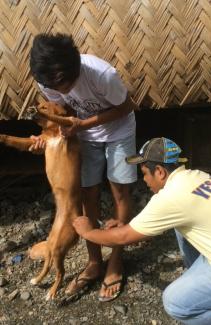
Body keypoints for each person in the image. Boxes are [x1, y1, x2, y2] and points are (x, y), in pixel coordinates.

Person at [73, 137, 211, 324]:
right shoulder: (196, 177)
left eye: (145, 173)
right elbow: (135, 230)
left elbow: (122, 238)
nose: (144, 180)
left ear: (160, 172)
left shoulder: (171, 197)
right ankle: (204, 288)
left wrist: (88, 232)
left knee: (175, 303)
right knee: (182, 227)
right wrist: (127, 229)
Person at [29, 33, 138, 301]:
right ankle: (93, 260)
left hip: (118, 132)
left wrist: (83, 124)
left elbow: (126, 107)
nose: (60, 90)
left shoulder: (102, 75)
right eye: (51, 85)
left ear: (74, 68)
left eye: (63, 83)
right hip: (85, 138)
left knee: (120, 193)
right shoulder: (48, 81)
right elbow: (62, 113)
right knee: (87, 193)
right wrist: (46, 137)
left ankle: (115, 260)